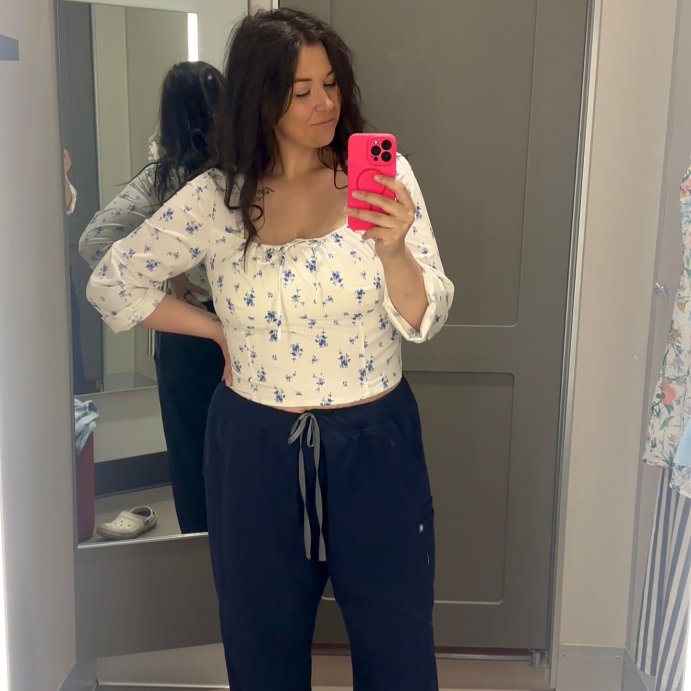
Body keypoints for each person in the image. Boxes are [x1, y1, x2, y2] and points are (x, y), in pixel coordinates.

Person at [86, 8, 454, 690]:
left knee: (398, 647)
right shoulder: (217, 198)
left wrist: (395, 249)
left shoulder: (384, 178)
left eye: (330, 83)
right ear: (261, 99)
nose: (325, 103)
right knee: (261, 650)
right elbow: (112, 281)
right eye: (301, 90)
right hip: (255, 448)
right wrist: (214, 329)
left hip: (375, 445)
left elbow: (423, 318)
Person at [80, 61, 224, 533]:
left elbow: (95, 242)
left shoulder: (164, 179)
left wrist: (169, 276)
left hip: (183, 331)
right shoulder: (244, 174)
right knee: (246, 451)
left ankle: (196, 546)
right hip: (240, 329)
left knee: (188, 449)